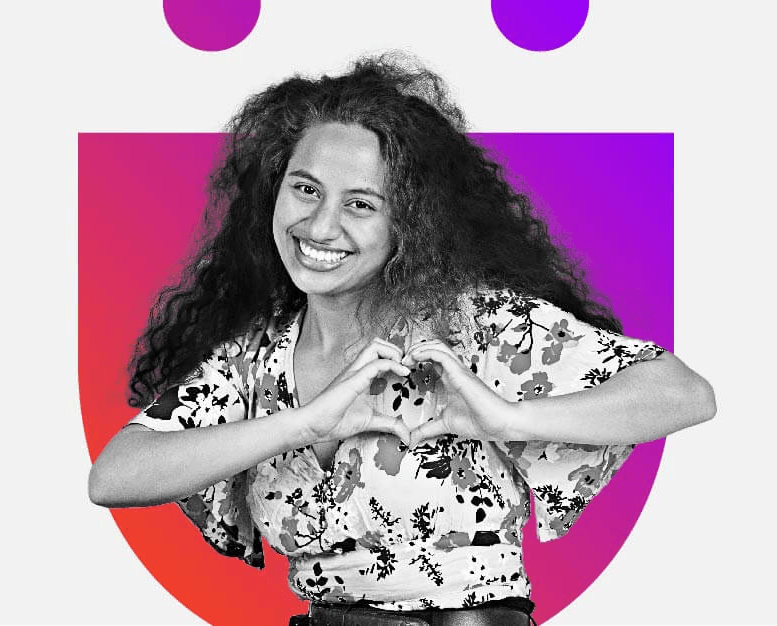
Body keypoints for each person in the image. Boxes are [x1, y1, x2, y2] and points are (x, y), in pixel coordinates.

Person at [89, 54, 715, 626]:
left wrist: (504, 416)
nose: (320, 225)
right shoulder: (255, 359)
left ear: (408, 224)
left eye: (360, 203)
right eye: (305, 188)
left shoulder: (475, 328)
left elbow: (684, 394)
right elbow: (115, 475)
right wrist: (303, 424)